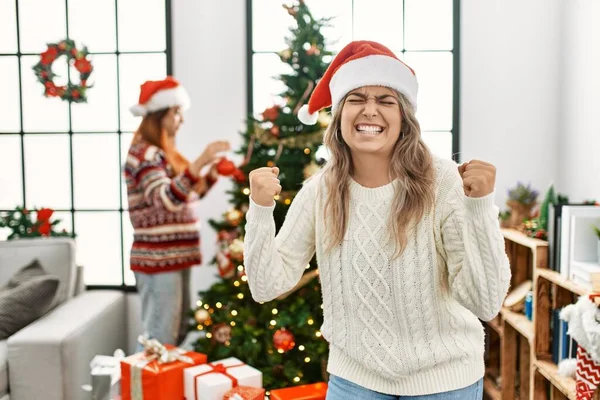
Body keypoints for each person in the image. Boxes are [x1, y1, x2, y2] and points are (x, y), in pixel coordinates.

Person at [243, 41, 511, 399]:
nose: (370, 111)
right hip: (354, 382)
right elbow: (265, 286)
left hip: (445, 382)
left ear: (404, 118)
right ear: (339, 115)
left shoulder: (445, 183)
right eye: (356, 100)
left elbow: (486, 301)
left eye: (386, 101)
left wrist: (480, 208)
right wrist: (260, 210)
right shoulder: (320, 191)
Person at [124, 76, 230, 347]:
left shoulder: (162, 154)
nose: (181, 119)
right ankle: (141, 388)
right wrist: (202, 159)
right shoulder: (144, 155)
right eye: (177, 112)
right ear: (162, 114)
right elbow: (166, 199)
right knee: (159, 337)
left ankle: (153, 387)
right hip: (158, 259)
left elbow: (189, 195)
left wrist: (213, 172)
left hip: (176, 255)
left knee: (175, 334)